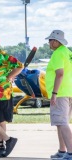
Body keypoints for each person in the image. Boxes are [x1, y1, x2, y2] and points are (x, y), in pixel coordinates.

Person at [45, 30, 72, 160]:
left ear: (56, 41)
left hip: (60, 93)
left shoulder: (57, 54)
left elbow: (59, 73)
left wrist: (54, 93)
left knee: (62, 122)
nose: (49, 43)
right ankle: (62, 150)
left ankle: (70, 152)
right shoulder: (68, 53)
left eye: (50, 40)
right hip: (69, 91)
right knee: (60, 122)